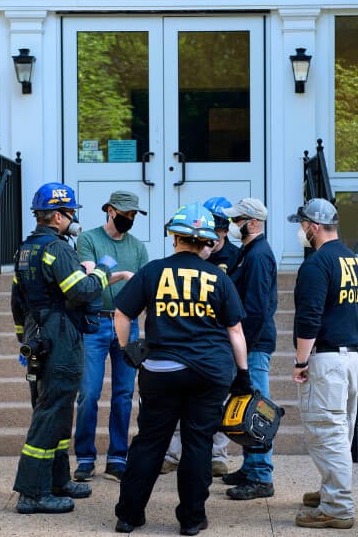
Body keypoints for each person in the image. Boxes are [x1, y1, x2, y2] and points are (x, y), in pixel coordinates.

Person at [112, 203, 252, 535]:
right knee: (197, 443)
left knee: (149, 442)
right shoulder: (218, 276)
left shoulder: (152, 272)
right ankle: (191, 520)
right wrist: (243, 374)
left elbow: (122, 313)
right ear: (204, 242)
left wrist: (127, 350)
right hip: (208, 373)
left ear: (175, 238)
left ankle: (128, 516)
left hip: (160, 372)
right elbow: (235, 331)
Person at [10, 182, 119, 515]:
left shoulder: (25, 250)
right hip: (59, 338)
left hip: (38, 334)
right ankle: (32, 493)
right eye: (70, 213)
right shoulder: (57, 249)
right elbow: (81, 291)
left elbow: (17, 302)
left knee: (57, 410)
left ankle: (58, 481)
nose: (73, 218)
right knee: (49, 413)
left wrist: (24, 339)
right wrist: (103, 270)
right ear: (57, 216)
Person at [287, 198, 358, 529]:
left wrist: (300, 361)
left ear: (314, 227)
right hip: (355, 357)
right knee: (340, 429)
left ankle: (336, 507)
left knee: (327, 432)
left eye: (302, 224)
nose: (300, 230)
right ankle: (331, 491)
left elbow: (309, 318)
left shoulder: (316, 265)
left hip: (329, 359)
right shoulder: (353, 260)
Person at [160, 196, 239, 477]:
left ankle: (218, 454)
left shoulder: (235, 257)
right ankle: (172, 454)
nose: (215, 235)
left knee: (218, 402)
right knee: (180, 403)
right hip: (189, 339)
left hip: (219, 341)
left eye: (220, 228)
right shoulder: (187, 257)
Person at [74, 191, 149, 483]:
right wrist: (123, 276)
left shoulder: (138, 248)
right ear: (109, 210)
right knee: (89, 394)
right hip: (94, 323)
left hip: (127, 324)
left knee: (123, 395)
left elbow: (143, 287)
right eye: (125, 213)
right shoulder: (89, 240)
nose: (129, 219)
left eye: (133, 215)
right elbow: (89, 281)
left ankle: (118, 457)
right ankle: (85, 458)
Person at [220, 198, 278, 500]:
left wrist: (242, 345)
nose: (232, 225)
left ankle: (260, 475)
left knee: (256, 410)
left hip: (253, 344)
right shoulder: (249, 252)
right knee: (245, 406)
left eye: (237, 219)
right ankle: (250, 465)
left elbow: (255, 308)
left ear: (252, 222)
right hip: (249, 342)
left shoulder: (257, 255)